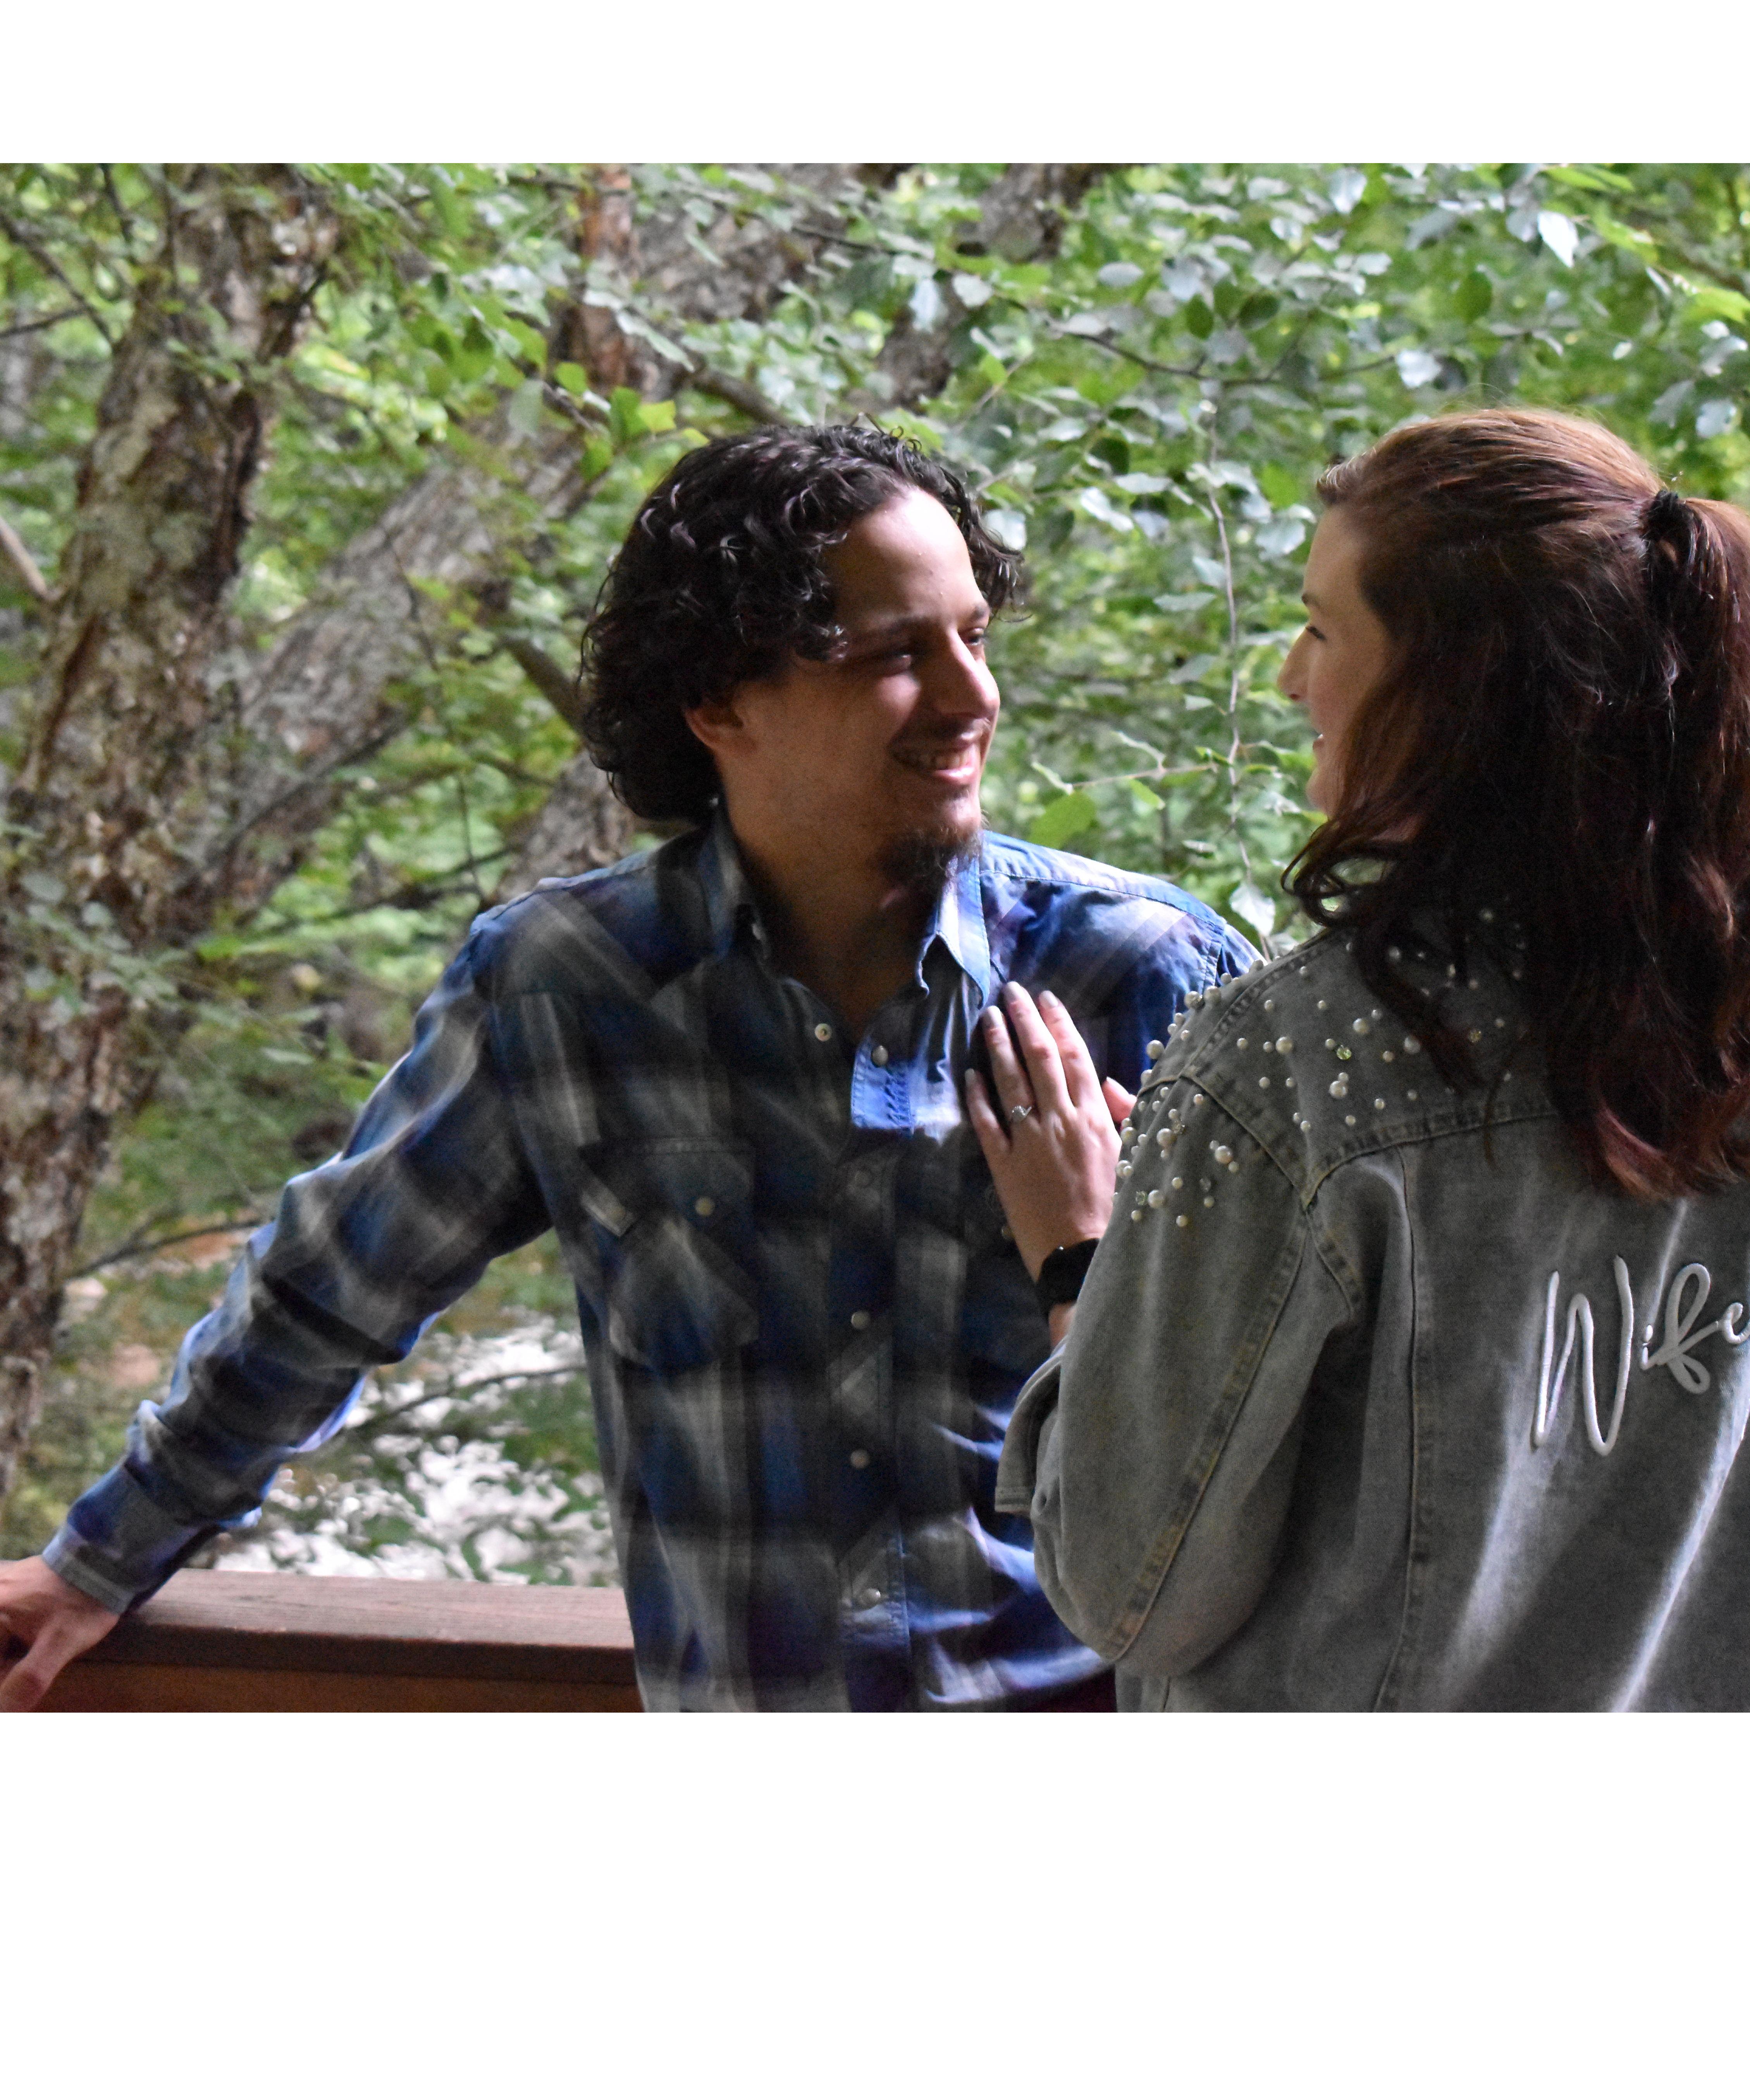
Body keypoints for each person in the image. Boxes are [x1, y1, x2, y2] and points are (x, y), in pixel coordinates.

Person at [0, 422, 1255, 1713]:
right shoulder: (561, 989)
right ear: (719, 704)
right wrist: (99, 1562)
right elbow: (323, 1300)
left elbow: (1301, 1421)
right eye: (893, 654)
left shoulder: (1143, 973)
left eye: (974, 637)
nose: (969, 695)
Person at [977, 407, 1750, 1710]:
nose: (1289, 678)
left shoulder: (1286, 1067)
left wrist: (1084, 1266)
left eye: (1323, 630)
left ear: (1452, 692)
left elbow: (1129, 1585)